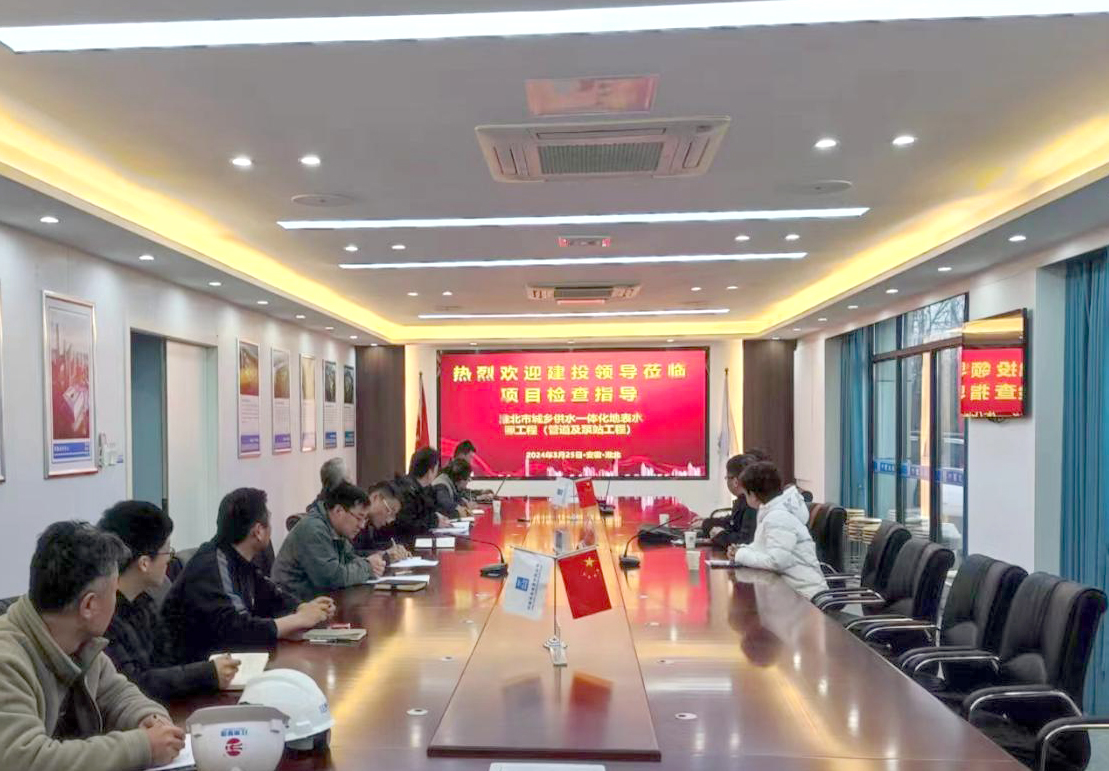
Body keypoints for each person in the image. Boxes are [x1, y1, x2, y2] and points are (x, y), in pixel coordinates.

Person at [0, 521, 187, 771]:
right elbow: (24, 760)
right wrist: (142, 746)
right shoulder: (7, 660)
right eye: (113, 591)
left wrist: (152, 720)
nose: (116, 601)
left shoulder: (79, 643)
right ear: (89, 605)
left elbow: (119, 694)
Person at [162, 488, 335, 662]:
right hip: (197, 667)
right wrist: (298, 620)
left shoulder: (239, 558)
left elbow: (271, 595)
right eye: (269, 521)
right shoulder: (211, 564)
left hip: (228, 659)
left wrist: (302, 607)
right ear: (258, 531)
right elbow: (237, 629)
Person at [98, 501, 240, 702]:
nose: (169, 560)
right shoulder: (104, 618)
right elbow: (132, 684)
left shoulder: (143, 602)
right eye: (167, 551)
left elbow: (169, 657)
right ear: (144, 563)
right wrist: (205, 673)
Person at [273, 481, 408, 601]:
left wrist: (372, 563)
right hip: (292, 606)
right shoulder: (314, 529)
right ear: (338, 511)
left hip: (317, 601)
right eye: (359, 518)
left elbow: (350, 559)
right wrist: (368, 566)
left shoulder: (336, 529)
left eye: (364, 519)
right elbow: (332, 578)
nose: (362, 525)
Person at [726, 462, 828, 599]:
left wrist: (741, 555)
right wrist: (742, 550)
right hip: (790, 592)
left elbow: (776, 562)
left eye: (745, 494)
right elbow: (765, 548)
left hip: (804, 597)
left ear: (753, 495)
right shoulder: (772, 513)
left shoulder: (778, 517)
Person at [695, 453, 760, 548]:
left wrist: (720, 535)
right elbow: (731, 522)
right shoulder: (743, 500)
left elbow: (745, 541)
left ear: (735, 481)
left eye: (727, 478)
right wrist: (707, 522)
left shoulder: (752, 503)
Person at [388, 447, 451, 540]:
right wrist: (435, 521)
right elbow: (408, 526)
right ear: (430, 472)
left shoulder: (424, 489)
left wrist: (437, 516)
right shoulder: (407, 491)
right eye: (437, 469)